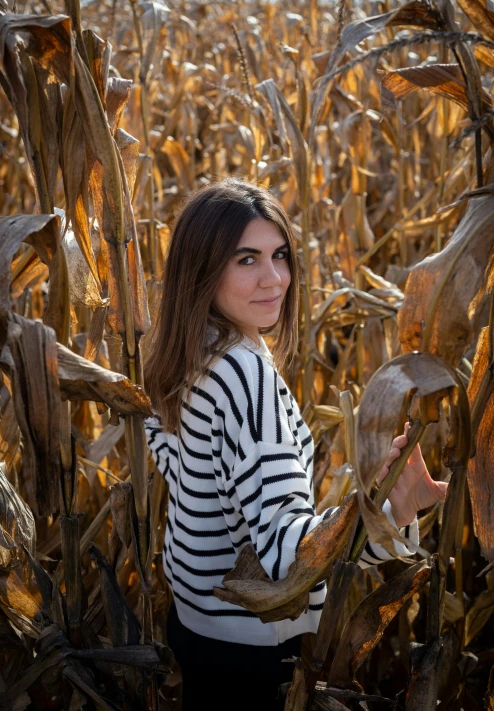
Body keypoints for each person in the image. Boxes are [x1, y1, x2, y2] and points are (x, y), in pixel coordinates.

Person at [143, 179, 447, 711]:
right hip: (252, 653)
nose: (276, 278)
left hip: (198, 629)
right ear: (202, 269)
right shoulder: (244, 375)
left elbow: (174, 458)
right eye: (246, 260)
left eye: (280, 255)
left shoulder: (193, 352)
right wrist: (389, 509)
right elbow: (289, 558)